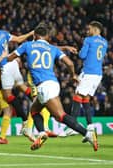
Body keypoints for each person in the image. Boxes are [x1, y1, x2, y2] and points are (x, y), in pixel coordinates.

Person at [6, 23, 98, 151]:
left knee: (60, 116)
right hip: (53, 83)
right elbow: (70, 63)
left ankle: (87, 133)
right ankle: (42, 133)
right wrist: (73, 75)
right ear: (47, 36)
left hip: (43, 85)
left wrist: (1, 57)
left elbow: (9, 58)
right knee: (34, 110)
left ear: (35, 35)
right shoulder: (52, 48)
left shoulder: (27, 45)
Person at [65, 21, 108, 136]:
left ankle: (72, 125)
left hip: (88, 72)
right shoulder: (105, 42)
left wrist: (79, 51)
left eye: (89, 29)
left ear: (95, 30)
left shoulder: (88, 40)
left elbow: (82, 55)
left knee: (77, 95)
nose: (87, 31)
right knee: (86, 98)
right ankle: (90, 125)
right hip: (98, 74)